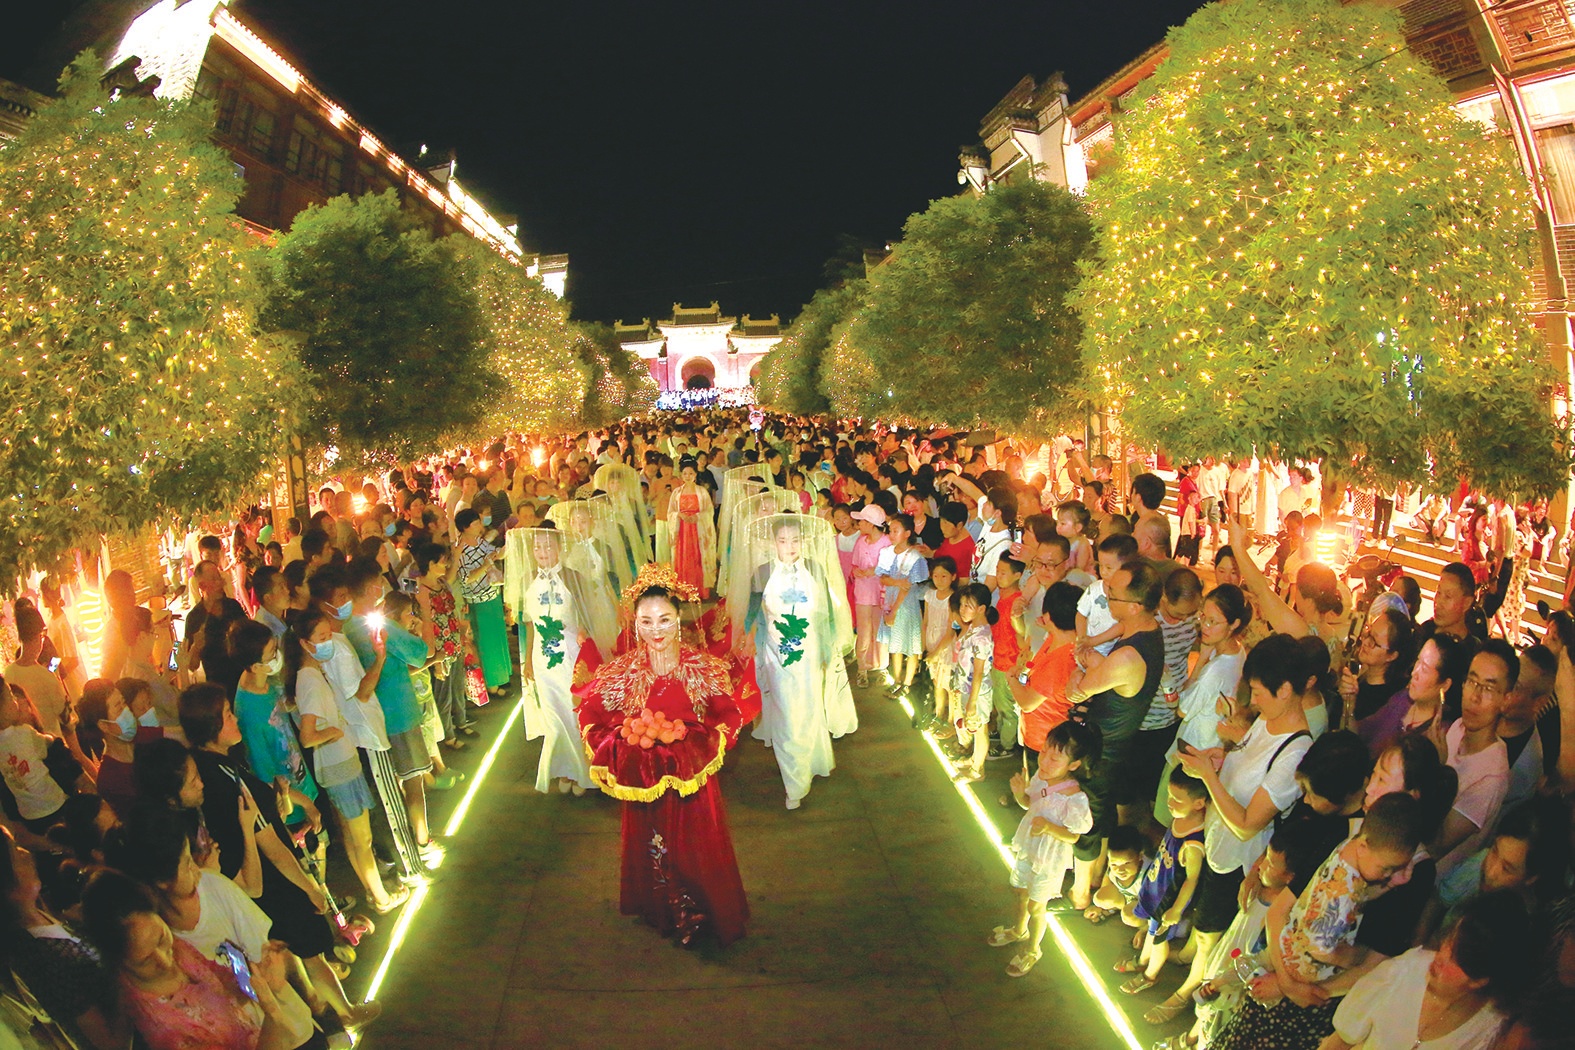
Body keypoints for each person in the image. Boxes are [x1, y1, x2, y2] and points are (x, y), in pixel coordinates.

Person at [574, 574, 750, 946]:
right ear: (635, 624)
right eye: (647, 621)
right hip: (645, 785)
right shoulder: (623, 672)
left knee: (695, 852)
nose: (656, 630)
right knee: (653, 849)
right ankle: (662, 911)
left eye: (665, 619)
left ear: (679, 618)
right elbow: (589, 712)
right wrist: (614, 744)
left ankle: (700, 915)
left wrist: (702, 743)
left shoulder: (702, 668)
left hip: (692, 787)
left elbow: (730, 715)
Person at [1173, 633, 1313, 1013]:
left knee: (1214, 932)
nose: (1253, 700)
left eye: (1259, 691)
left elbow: (1249, 824)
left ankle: (1192, 991)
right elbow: (1245, 758)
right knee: (1204, 916)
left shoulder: (1295, 751)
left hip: (1241, 856)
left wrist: (1208, 776)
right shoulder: (1269, 719)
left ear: (1285, 690)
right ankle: (1190, 962)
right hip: (1219, 838)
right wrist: (1221, 757)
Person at [79, 868, 311, 1050]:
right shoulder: (166, 1031)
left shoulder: (178, 947)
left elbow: (226, 986)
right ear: (119, 961)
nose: (165, 961)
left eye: (161, 939)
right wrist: (272, 1013)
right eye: (145, 960)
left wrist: (260, 976)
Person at [733, 515, 856, 808]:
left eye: (795, 540)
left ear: (804, 541)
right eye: (783, 540)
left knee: (810, 709)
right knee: (787, 713)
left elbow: (826, 612)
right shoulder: (763, 572)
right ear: (773, 542)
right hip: (778, 654)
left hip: (810, 652)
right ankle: (795, 783)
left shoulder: (814, 568)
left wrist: (828, 647)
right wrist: (748, 638)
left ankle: (814, 761)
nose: (789, 546)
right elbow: (751, 612)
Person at [1322, 891, 1529, 1050]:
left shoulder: (1488, 1027)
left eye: (1455, 958)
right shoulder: (1405, 970)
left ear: (1479, 980)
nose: (1441, 955)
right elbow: (1340, 1040)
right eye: (1449, 940)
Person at [503, 525, 619, 796]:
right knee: (553, 715)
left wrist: (584, 631)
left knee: (572, 710)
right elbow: (529, 623)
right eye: (537, 547)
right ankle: (565, 768)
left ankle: (583, 770)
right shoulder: (527, 578)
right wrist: (527, 660)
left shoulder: (573, 576)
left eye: (548, 546)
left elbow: (589, 613)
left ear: (559, 548)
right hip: (542, 657)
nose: (542, 552)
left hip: (570, 653)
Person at [988, 721, 1097, 978]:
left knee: (1037, 907)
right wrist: (1019, 794)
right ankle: (1019, 930)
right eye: (1045, 751)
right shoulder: (1041, 776)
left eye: (1055, 758)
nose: (1045, 760)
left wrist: (1048, 827)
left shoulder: (1075, 798)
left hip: (1049, 860)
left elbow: (1074, 835)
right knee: (1020, 891)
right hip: (1029, 847)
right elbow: (1030, 803)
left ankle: (1033, 949)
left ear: (1074, 765)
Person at [1119, 767, 1208, 1000]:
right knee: (1151, 930)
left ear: (1199, 803)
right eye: (1169, 796)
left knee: (1160, 940)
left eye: (1177, 799)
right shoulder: (1179, 820)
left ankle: (1150, 975)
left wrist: (1176, 909)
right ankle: (1142, 961)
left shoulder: (1193, 843)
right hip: (1156, 888)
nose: (1170, 803)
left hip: (1168, 900)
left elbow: (1192, 878)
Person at [1434, 642, 1514, 876]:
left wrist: (1438, 770)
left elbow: (1437, 843)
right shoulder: (1458, 726)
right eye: (1472, 681)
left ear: (1506, 700)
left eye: (1488, 688)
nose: (1475, 697)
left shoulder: (1492, 777)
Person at [453, 509, 510, 699]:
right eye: (476, 523)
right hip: (477, 599)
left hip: (492, 593)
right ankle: (491, 683)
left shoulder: (479, 541)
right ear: (465, 527)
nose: (480, 525)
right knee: (486, 642)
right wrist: (485, 565)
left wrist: (507, 547)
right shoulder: (459, 549)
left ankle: (500, 676)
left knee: (497, 637)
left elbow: (494, 554)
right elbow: (466, 578)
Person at [876, 513, 929, 700]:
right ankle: (897, 680)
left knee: (911, 644)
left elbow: (908, 587)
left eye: (895, 531)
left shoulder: (915, 557)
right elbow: (883, 578)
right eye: (890, 531)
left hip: (906, 606)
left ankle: (907, 682)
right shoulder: (887, 552)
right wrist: (896, 582)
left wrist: (894, 611)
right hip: (890, 601)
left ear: (907, 533)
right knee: (895, 644)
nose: (891, 534)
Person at [949, 582, 997, 783]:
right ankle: (974, 760)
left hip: (977, 692)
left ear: (981, 609)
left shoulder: (982, 637)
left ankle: (978, 769)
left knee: (980, 729)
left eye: (967, 606)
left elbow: (978, 673)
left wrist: (972, 702)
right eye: (961, 605)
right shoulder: (973, 629)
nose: (962, 610)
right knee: (975, 727)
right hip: (968, 689)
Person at [848, 504, 892, 688]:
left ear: (871, 524)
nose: (859, 524)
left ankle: (882, 666)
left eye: (862, 521)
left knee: (880, 630)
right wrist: (857, 571)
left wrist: (875, 570)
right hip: (864, 592)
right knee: (864, 631)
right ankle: (862, 667)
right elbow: (854, 565)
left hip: (881, 592)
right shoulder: (860, 542)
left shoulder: (887, 542)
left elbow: (891, 567)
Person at [668, 455, 718, 598]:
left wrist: (698, 516)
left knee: (698, 558)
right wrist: (678, 514)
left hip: (698, 530)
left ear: (695, 475)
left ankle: (700, 590)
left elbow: (709, 510)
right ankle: (683, 591)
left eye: (691, 473)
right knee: (683, 559)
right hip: (682, 531)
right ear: (681, 475)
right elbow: (670, 512)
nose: (688, 476)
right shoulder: (676, 493)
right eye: (685, 474)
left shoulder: (702, 492)